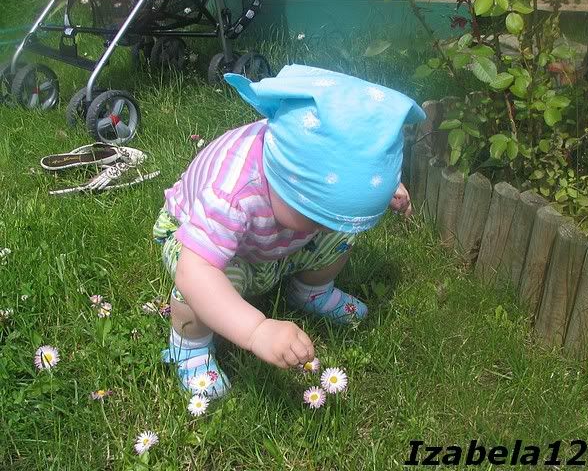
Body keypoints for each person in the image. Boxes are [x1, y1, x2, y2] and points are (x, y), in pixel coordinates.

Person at [153, 64, 425, 396]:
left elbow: (346, 160)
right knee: (202, 286)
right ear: (280, 179)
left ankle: (311, 290)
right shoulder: (232, 193)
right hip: (205, 246)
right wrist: (257, 330)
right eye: (318, 216)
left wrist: (377, 188)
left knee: (340, 237)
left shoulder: (311, 165)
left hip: (272, 240)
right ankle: (190, 347)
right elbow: (194, 271)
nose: (326, 227)